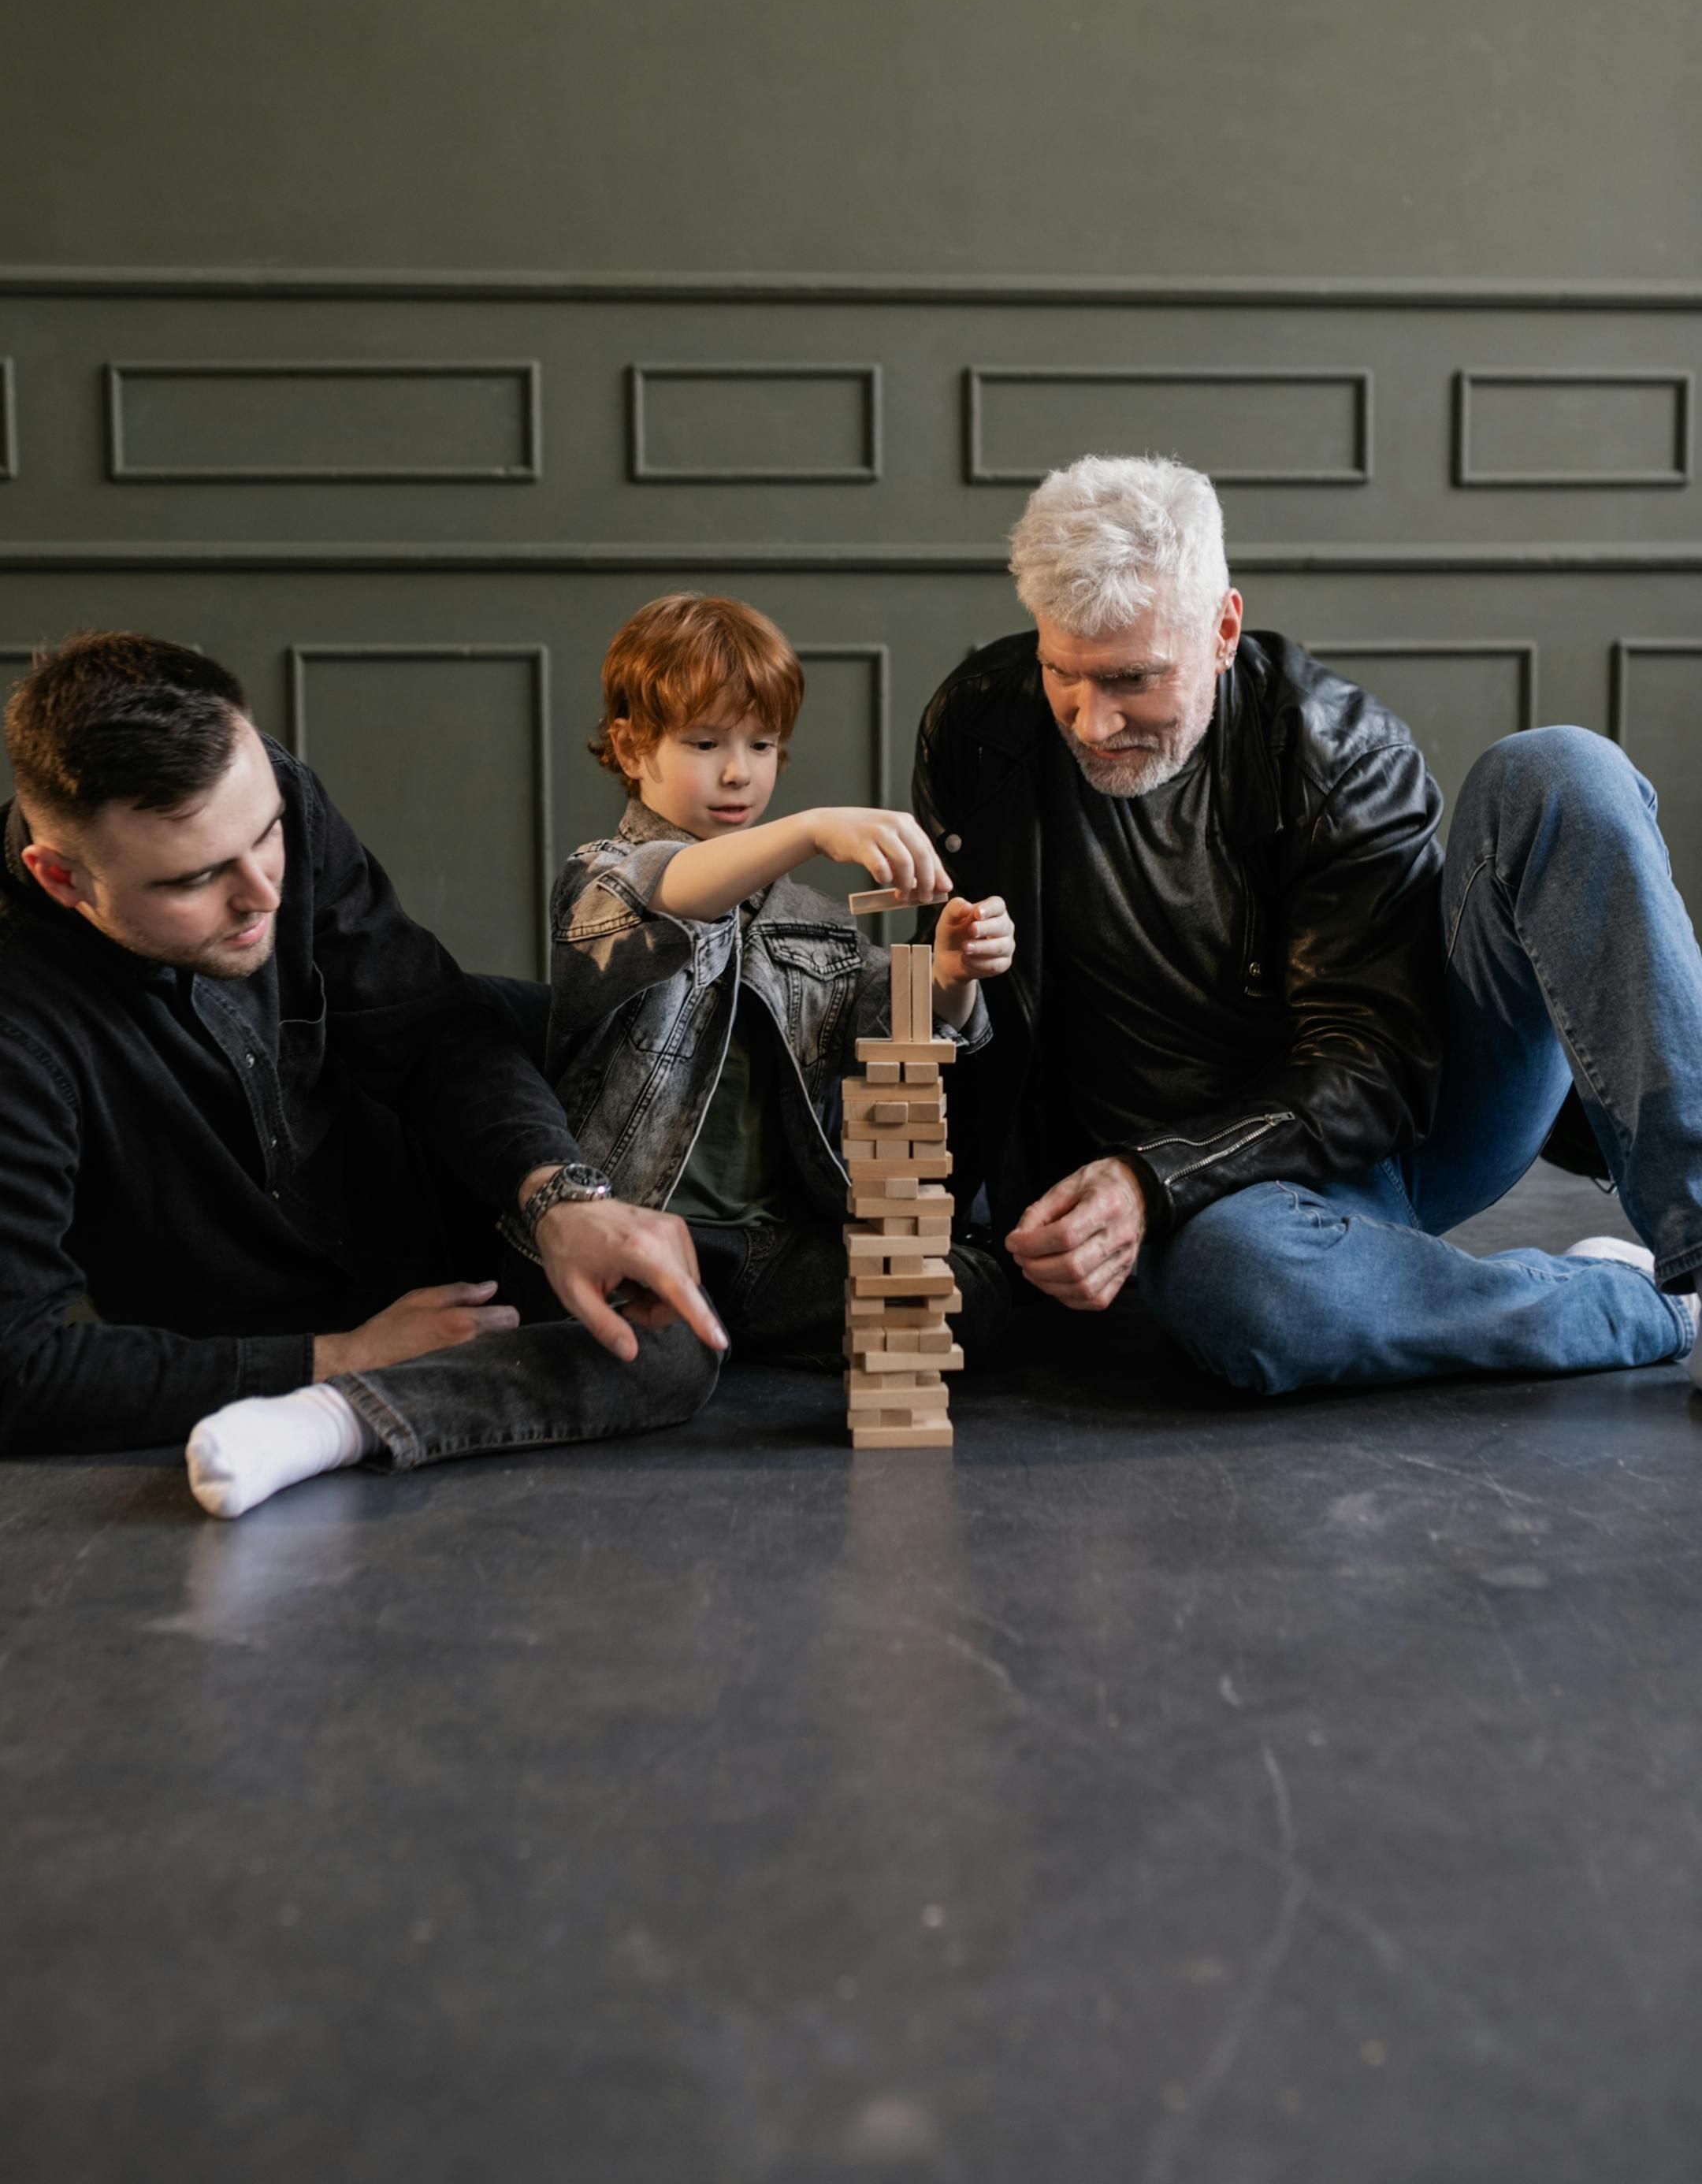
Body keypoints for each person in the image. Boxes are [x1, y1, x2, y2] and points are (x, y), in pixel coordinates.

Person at [911, 455, 1702, 1393]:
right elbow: (967, 1007)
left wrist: (1150, 1179)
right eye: (1063, 674)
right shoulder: (979, 726)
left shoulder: (1338, 750)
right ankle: (1603, 1297)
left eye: (1133, 679)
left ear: (1221, 629)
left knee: (1563, 769)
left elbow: (1371, 1067)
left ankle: (1687, 1269)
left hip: (1389, 1133)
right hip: (1196, 1213)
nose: (1091, 721)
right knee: (1239, 1289)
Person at [0, 632, 729, 1514]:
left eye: (266, 835)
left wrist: (559, 1197)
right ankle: (327, 1417)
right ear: (61, 878)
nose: (264, 895)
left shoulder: (261, 793)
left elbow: (424, 1025)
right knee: (667, 1348)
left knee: (649, 1061)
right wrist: (339, 1359)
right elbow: (19, 1367)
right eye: (195, 880)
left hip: (442, 1189)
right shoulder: (20, 1023)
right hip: (282, 1317)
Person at [545, 592, 1014, 1354]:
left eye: (761, 747)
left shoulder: (811, 919)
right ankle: (701, 1338)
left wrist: (952, 972)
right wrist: (812, 828)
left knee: (972, 1291)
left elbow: (892, 1028)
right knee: (645, 1347)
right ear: (631, 750)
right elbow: (679, 890)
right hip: (643, 1227)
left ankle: (734, 1336)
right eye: (705, 745)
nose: (739, 774)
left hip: (775, 1244)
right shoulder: (601, 879)